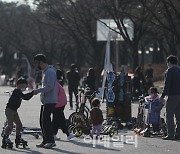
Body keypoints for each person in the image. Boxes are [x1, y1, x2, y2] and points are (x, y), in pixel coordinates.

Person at [33, 54, 58, 149]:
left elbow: (50, 86)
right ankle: (46, 140)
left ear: (41, 62)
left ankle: (51, 141)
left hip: (50, 100)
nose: (36, 65)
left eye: (37, 63)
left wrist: (37, 91)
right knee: (42, 121)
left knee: (46, 121)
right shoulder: (45, 72)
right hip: (46, 100)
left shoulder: (50, 72)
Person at [2, 78, 34, 147]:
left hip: (14, 111)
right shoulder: (17, 91)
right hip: (9, 110)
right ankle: (5, 137)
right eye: (25, 86)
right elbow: (26, 97)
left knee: (19, 125)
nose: (25, 88)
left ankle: (18, 137)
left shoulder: (19, 92)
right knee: (10, 125)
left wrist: (32, 93)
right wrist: (33, 93)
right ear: (21, 85)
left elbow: (25, 97)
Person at [160, 55, 180, 140]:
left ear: (169, 62)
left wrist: (163, 95)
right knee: (179, 115)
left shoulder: (170, 71)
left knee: (169, 115)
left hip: (172, 95)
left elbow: (167, 84)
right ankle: (178, 133)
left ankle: (170, 134)